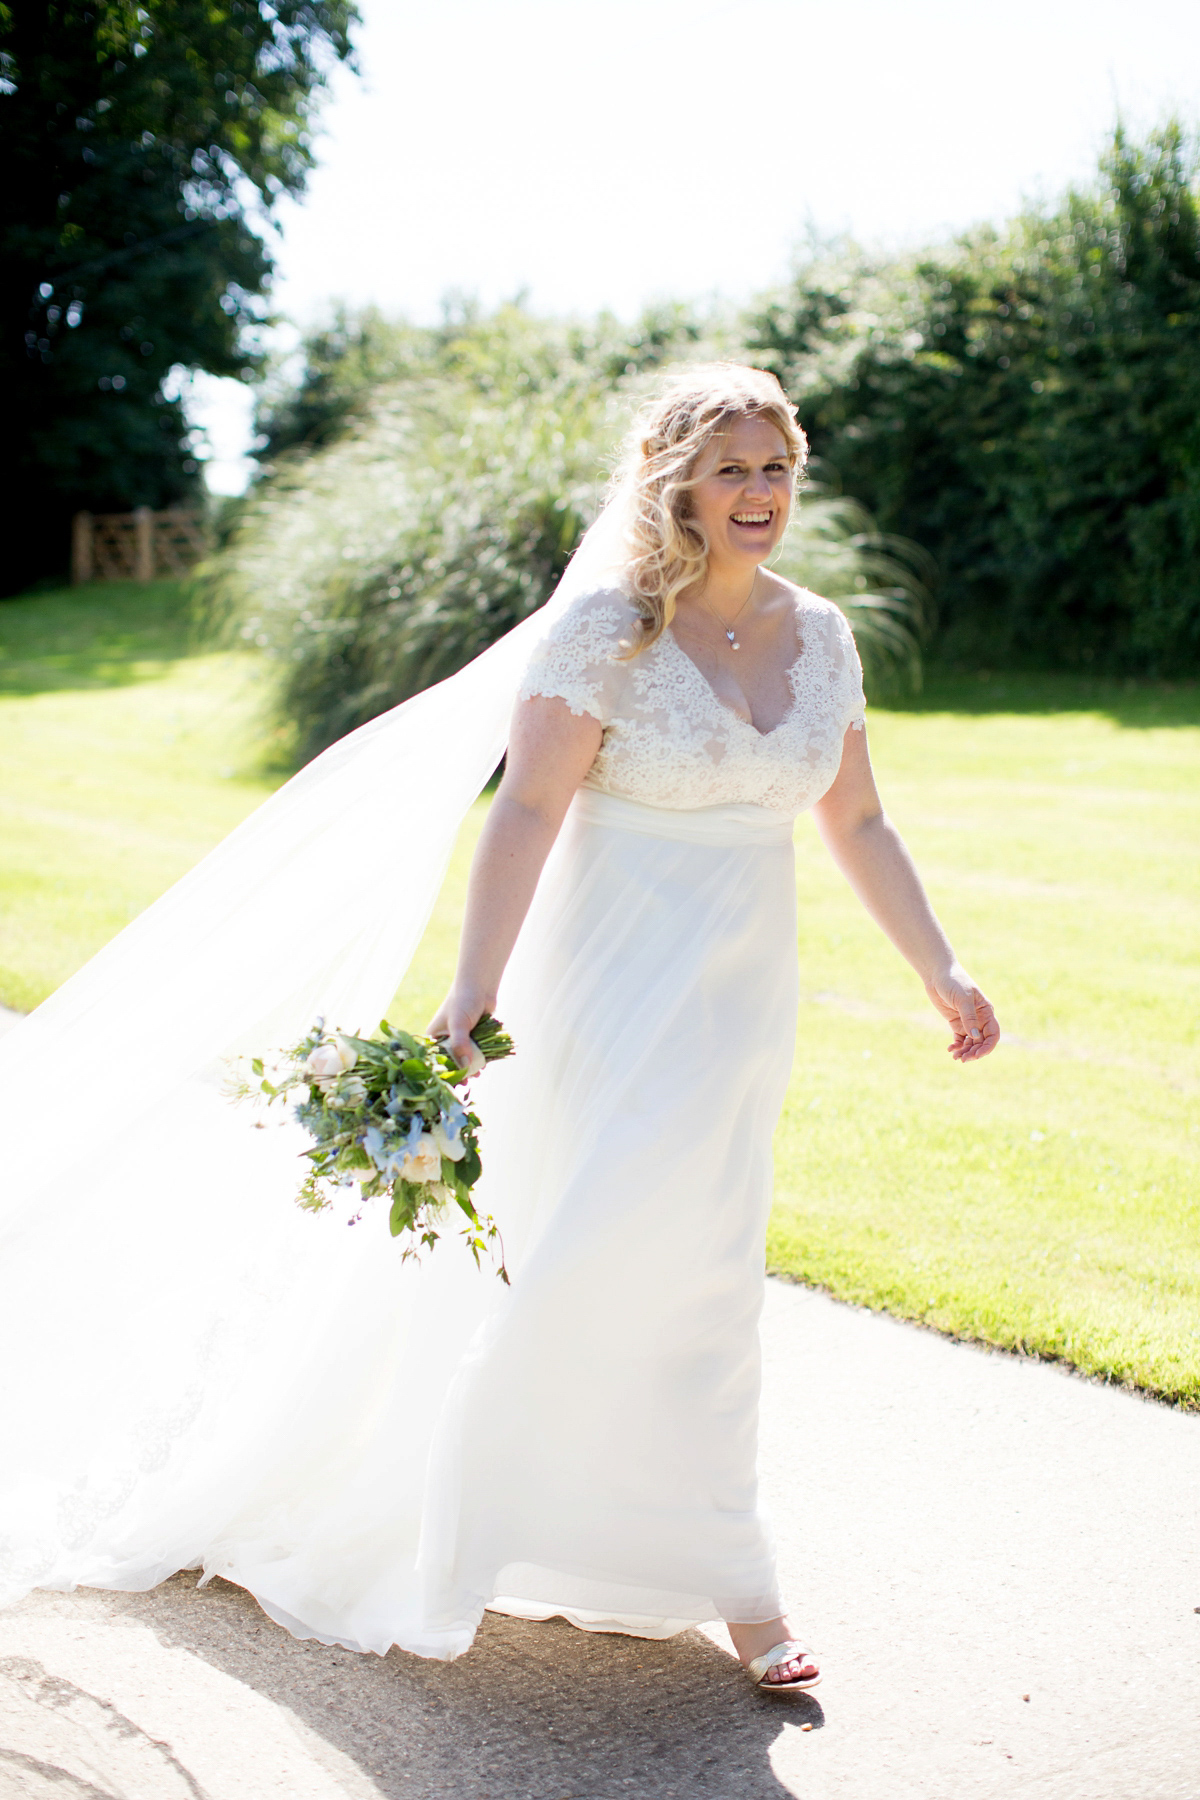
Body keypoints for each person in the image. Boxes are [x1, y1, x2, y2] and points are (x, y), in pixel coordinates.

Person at [0, 363, 997, 1696]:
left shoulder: (819, 633)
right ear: (677, 485)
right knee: (590, 1254)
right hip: (607, 982)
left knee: (707, 1267)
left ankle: (715, 1566)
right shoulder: (606, 633)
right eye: (732, 470)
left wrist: (941, 966)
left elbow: (858, 819)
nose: (759, 494)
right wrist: (473, 989)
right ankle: (496, 1544)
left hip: (743, 1008)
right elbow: (524, 812)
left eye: (777, 468)